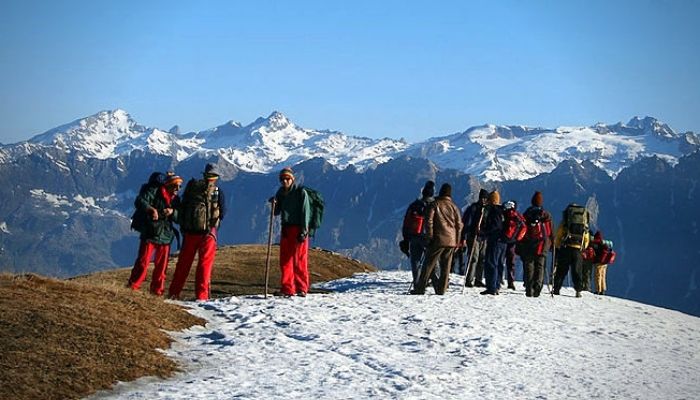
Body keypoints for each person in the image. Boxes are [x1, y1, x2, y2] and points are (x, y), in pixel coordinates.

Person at [168, 164, 226, 301]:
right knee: (204, 265)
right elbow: (223, 212)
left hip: (190, 232)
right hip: (208, 234)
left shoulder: (192, 188)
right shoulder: (218, 191)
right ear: (216, 177)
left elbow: (182, 205)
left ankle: (174, 293)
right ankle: (202, 296)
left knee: (183, 264)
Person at [127, 173, 183, 296]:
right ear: (168, 185)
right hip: (151, 233)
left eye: (179, 186)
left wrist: (173, 212)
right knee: (143, 262)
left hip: (165, 235)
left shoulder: (176, 200)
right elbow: (140, 201)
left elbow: (180, 218)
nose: (178, 189)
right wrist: (151, 210)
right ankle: (133, 287)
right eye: (175, 186)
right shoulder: (154, 191)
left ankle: (157, 292)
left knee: (161, 267)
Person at [411, 183, 462, 295]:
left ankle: (420, 288)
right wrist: (457, 241)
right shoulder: (454, 207)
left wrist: (429, 236)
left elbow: (428, 221)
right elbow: (459, 225)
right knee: (446, 267)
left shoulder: (435, 204)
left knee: (428, 265)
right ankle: (441, 290)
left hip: (438, 239)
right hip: (451, 241)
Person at [270, 167, 313, 297]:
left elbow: (306, 212)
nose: (285, 181)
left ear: (292, 179)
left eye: (287, 179)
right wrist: (274, 204)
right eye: (282, 179)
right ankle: (288, 288)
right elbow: (277, 212)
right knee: (285, 259)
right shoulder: (280, 193)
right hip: (286, 229)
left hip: (299, 229)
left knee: (299, 259)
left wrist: (304, 231)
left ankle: (302, 288)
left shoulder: (301, 192)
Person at [518, 192, 554, 297]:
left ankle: (529, 288)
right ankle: (537, 287)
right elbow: (551, 230)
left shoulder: (527, 213)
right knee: (540, 266)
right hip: (542, 244)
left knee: (529, 265)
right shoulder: (546, 215)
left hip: (529, 244)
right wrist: (552, 243)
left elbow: (522, 228)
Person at [401, 181, 436, 285]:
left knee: (415, 260)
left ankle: (417, 283)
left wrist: (406, 238)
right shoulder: (435, 205)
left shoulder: (414, 205)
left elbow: (406, 222)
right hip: (429, 236)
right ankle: (436, 282)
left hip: (414, 235)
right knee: (433, 260)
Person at [553, 203, 590, 298]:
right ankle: (578, 290)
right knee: (577, 271)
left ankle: (556, 289)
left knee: (561, 270)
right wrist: (583, 247)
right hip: (578, 249)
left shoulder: (565, 222)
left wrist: (557, 245)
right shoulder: (583, 223)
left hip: (566, 247)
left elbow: (559, 234)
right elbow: (586, 238)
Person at [461, 189, 490, 287]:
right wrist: (465, 235)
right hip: (474, 237)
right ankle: (469, 280)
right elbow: (467, 222)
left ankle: (478, 279)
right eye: (483, 198)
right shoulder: (474, 208)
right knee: (474, 258)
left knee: (481, 259)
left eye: (485, 198)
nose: (484, 200)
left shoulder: (485, 209)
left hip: (483, 237)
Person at [480, 191, 506, 295]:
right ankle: (497, 284)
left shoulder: (494, 211)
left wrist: (484, 231)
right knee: (499, 263)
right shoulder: (503, 211)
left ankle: (491, 287)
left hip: (495, 240)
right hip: (503, 241)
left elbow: (494, 226)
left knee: (491, 263)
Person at [502, 200, 526, 290]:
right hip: (513, 242)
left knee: (500, 261)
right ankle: (511, 282)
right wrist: (517, 238)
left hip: (503, 241)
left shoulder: (503, 214)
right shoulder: (517, 216)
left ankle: (499, 279)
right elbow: (524, 227)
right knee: (511, 263)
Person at [591, 231, 610, 295]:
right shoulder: (604, 243)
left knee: (597, 276)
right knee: (603, 276)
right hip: (605, 263)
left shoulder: (596, 243)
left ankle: (598, 290)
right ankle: (603, 289)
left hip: (598, 263)